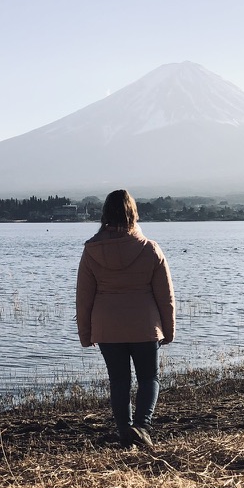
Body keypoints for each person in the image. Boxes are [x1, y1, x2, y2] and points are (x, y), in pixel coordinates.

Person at [76, 190, 175, 449]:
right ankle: (141, 427)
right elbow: (166, 296)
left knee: (119, 381)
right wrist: (169, 330)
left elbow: (84, 298)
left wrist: (86, 334)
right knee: (148, 378)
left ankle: (125, 433)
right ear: (134, 212)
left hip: (108, 328)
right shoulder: (150, 249)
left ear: (105, 214)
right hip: (145, 326)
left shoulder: (91, 250)